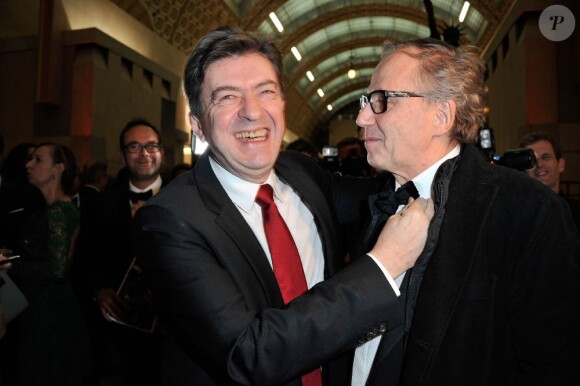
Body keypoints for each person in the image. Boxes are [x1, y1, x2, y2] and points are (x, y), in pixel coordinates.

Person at [132, 26, 434, 386]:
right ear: (198, 124)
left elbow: (388, 192)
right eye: (227, 97)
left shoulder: (303, 173)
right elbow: (250, 354)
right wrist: (384, 264)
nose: (252, 113)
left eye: (266, 91)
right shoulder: (170, 220)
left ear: (283, 106)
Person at [352, 37, 580, 385]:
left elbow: (554, 364)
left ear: (441, 115)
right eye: (366, 101)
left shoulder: (528, 211)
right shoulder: (369, 204)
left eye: (382, 100)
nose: (362, 116)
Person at [8, 142, 93, 385]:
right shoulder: (62, 208)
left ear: (58, 169)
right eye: (30, 159)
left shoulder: (56, 212)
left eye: (38, 159)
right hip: (53, 305)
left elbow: (56, 269)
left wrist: (11, 265)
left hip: (48, 310)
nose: (29, 165)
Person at [91, 119, 166, 386]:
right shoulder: (101, 203)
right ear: (121, 155)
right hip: (122, 326)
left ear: (161, 152)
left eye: (151, 146)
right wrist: (99, 289)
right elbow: (87, 258)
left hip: (176, 327)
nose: (144, 153)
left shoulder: (187, 198)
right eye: (134, 147)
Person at [519, 131, 580, 230]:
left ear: (561, 165)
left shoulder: (576, 213)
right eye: (532, 159)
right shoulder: (516, 216)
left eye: (546, 157)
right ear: (522, 170)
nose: (539, 164)